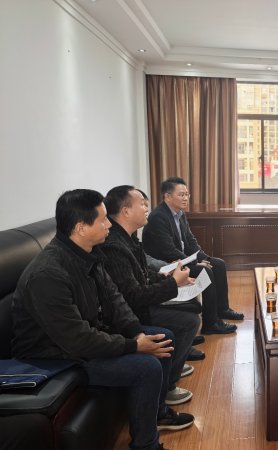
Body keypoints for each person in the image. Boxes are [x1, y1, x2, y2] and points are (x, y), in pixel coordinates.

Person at [11, 189, 194, 450]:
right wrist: (134, 346)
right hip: (57, 357)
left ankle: (157, 414)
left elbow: (114, 299)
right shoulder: (47, 275)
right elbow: (77, 340)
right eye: (103, 220)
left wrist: (136, 332)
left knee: (161, 339)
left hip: (85, 340)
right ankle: (146, 445)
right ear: (81, 228)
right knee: (148, 366)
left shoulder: (87, 253)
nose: (109, 224)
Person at [102, 185, 201, 406]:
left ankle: (173, 367)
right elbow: (134, 296)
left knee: (192, 307)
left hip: (138, 305)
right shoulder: (114, 246)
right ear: (125, 211)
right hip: (131, 313)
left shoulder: (128, 237)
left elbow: (143, 274)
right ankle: (168, 385)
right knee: (189, 321)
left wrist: (172, 279)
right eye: (142, 204)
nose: (147, 208)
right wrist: (173, 284)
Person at [142, 177, 242, 334]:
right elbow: (168, 251)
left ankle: (222, 309)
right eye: (181, 195)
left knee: (217, 264)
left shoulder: (179, 213)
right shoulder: (158, 217)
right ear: (167, 196)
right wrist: (195, 264)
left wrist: (204, 258)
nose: (185, 198)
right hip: (167, 265)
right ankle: (211, 323)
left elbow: (190, 241)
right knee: (205, 271)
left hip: (181, 259)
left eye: (187, 194)